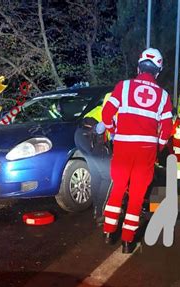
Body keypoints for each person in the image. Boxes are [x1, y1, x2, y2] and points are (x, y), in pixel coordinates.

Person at [100, 48, 173, 253]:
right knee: (137, 195)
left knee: (118, 188)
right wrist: (158, 146)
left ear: (139, 67)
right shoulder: (163, 95)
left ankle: (108, 232)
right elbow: (166, 129)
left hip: (123, 147)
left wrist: (113, 132)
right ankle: (127, 241)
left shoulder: (123, 87)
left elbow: (106, 115)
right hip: (146, 150)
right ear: (158, 71)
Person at [74, 93, 113, 225]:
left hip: (80, 135)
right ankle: (101, 213)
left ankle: (96, 209)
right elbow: (111, 133)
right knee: (108, 176)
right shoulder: (118, 110)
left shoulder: (101, 107)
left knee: (97, 174)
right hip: (92, 137)